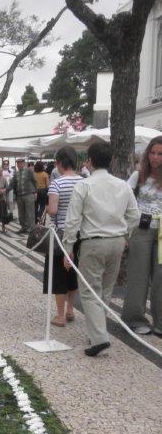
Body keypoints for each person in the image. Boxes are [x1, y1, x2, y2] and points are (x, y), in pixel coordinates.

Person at [62, 142, 140, 356]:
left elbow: (72, 220)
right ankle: (97, 331)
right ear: (111, 160)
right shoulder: (123, 185)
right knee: (105, 288)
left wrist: (68, 247)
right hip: (116, 241)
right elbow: (134, 215)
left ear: (89, 160)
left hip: (93, 241)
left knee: (89, 290)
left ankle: (99, 337)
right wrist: (125, 234)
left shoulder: (84, 186)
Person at [122, 135, 162, 335]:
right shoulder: (138, 176)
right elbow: (124, 201)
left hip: (161, 232)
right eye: (152, 153)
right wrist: (125, 231)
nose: (155, 157)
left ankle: (160, 321)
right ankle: (135, 318)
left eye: (160, 154)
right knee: (138, 275)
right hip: (141, 229)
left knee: (160, 277)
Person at [42, 146, 83, 327]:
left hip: (61, 233)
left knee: (59, 274)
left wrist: (48, 209)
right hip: (80, 233)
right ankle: (70, 310)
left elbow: (52, 210)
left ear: (59, 163)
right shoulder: (84, 182)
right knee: (73, 272)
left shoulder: (57, 183)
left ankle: (60, 315)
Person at [11, 158, 37, 235]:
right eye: (18, 163)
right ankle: (24, 227)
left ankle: (32, 229)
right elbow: (13, 183)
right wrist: (7, 189)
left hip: (29, 194)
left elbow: (34, 181)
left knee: (30, 213)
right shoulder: (16, 173)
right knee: (21, 213)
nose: (19, 165)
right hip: (19, 195)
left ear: (24, 163)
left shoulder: (29, 171)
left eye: (20, 163)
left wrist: (35, 192)